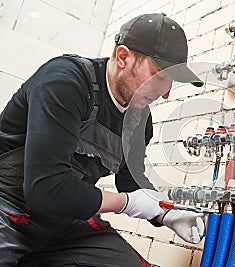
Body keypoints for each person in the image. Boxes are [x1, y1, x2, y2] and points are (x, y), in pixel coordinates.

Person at [0, 13, 205, 266]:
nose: (165, 94)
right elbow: (44, 189)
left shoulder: (139, 122)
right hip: (8, 208)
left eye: (172, 82)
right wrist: (125, 204)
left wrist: (165, 213)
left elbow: (130, 180)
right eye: (160, 76)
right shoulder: (65, 82)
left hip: (66, 222)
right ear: (123, 57)